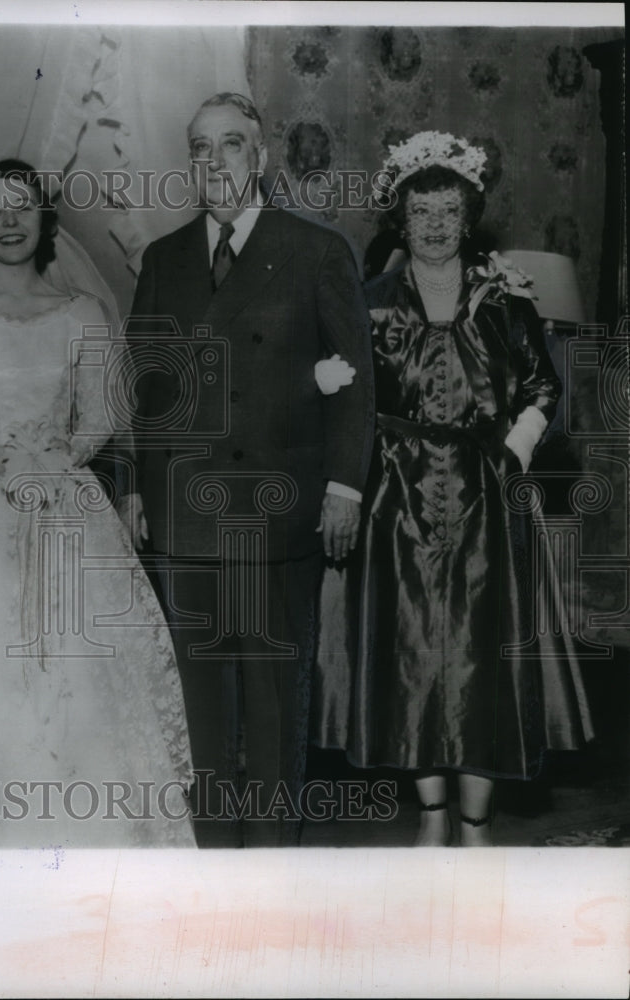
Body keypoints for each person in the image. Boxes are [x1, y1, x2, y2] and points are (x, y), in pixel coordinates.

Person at [0, 161, 195, 848]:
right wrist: (0, 461)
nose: (10, 221)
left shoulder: (79, 313)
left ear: (44, 218)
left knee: (80, 668)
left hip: (65, 499)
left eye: (22, 206)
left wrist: (56, 459)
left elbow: (101, 413)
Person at [313, 131, 594, 846]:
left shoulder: (503, 299)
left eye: (446, 212)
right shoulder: (368, 302)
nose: (434, 226)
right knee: (410, 664)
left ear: (466, 218)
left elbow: (541, 386)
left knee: (480, 665)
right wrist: (321, 381)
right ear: (398, 221)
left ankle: (475, 824)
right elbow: (340, 390)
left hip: (486, 503)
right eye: (420, 212)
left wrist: (509, 453)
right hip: (395, 499)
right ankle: (431, 817)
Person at [120, 93, 375, 847]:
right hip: (186, 516)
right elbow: (143, 383)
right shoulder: (164, 258)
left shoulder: (315, 249)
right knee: (201, 708)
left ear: (258, 159)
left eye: (230, 145)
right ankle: (211, 875)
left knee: (271, 707)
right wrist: (135, 485)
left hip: (279, 514)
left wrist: (344, 486)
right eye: (199, 148)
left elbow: (354, 379)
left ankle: (268, 876)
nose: (214, 160)